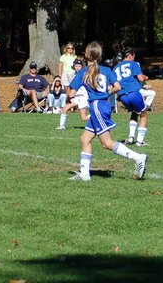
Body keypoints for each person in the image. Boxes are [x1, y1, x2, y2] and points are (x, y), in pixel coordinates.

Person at [68, 41, 148, 181]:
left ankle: (138, 157)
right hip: (104, 105)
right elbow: (117, 87)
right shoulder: (106, 70)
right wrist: (105, 93)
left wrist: (71, 96)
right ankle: (85, 174)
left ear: (86, 55)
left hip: (97, 107)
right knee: (85, 139)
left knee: (107, 143)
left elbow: (71, 93)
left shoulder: (83, 72)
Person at [112, 47, 151, 146]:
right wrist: (145, 77)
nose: (134, 58)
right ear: (130, 56)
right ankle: (140, 141)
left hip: (122, 96)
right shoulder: (133, 64)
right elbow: (141, 78)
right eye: (133, 56)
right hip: (133, 92)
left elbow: (113, 84)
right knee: (144, 114)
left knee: (134, 112)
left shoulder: (115, 68)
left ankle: (131, 137)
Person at [56, 59, 89, 129]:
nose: (78, 68)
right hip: (76, 97)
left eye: (79, 66)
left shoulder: (84, 75)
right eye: (76, 66)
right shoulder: (74, 75)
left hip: (83, 97)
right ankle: (62, 126)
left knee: (83, 118)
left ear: (82, 67)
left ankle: (98, 117)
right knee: (65, 108)